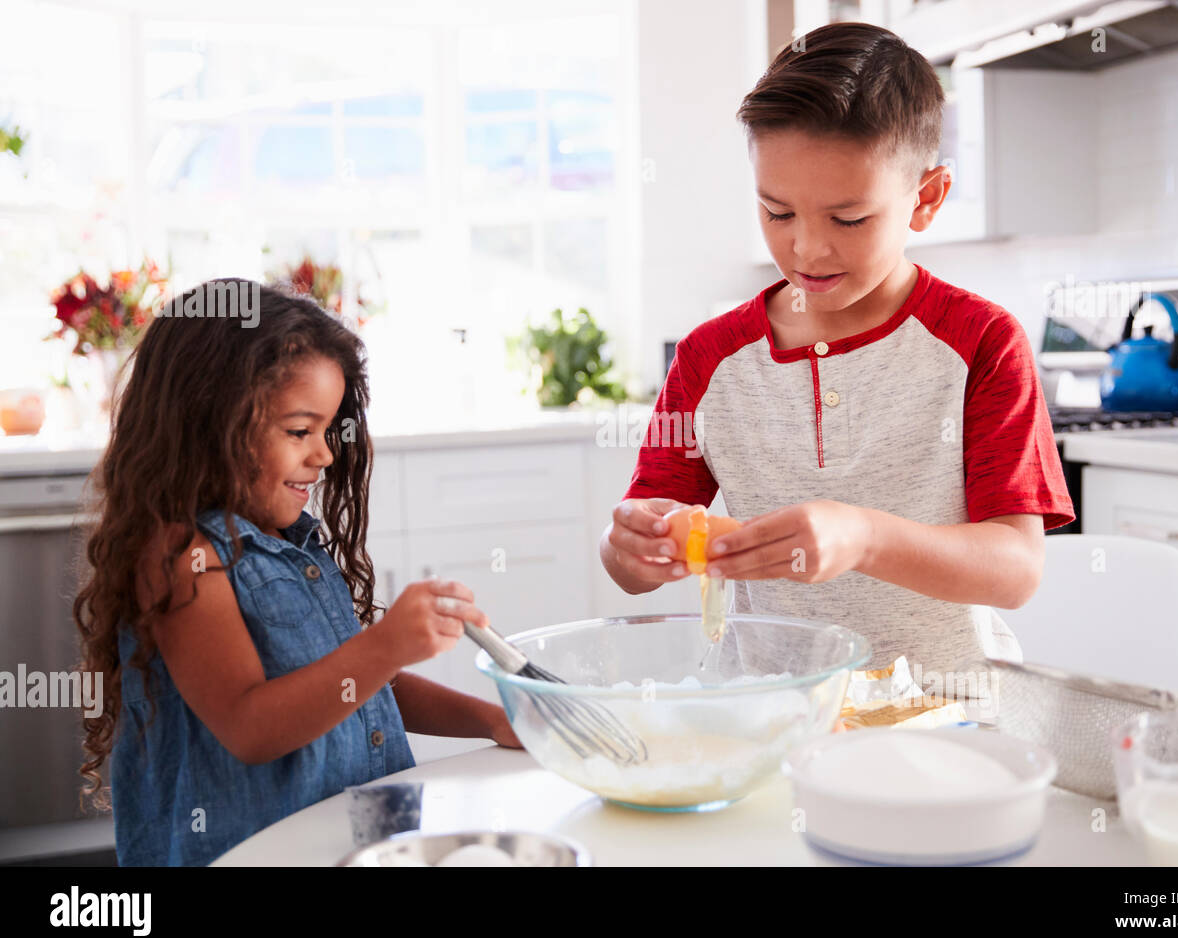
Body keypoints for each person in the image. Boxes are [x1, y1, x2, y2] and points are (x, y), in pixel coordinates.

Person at [600, 22, 1075, 701]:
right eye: (777, 211)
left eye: (848, 219)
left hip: (948, 717)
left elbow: (1017, 570)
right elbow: (636, 563)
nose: (807, 250)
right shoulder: (711, 357)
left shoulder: (981, 342)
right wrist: (629, 549)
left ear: (927, 198)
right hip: (767, 714)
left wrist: (863, 537)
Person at [75, 279, 520, 866]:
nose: (325, 454)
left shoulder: (291, 541)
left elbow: (356, 689)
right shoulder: (182, 557)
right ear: (211, 421)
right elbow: (248, 724)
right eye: (298, 431)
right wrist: (386, 646)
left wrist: (495, 719)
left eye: (328, 430)